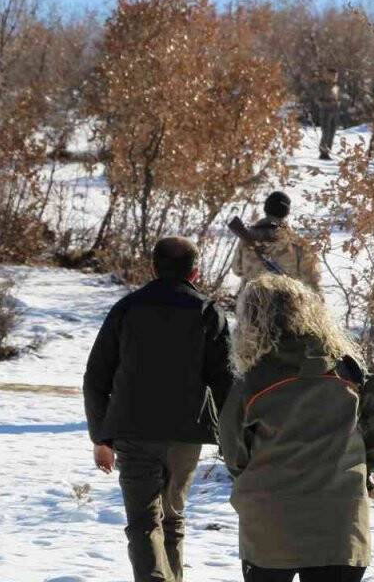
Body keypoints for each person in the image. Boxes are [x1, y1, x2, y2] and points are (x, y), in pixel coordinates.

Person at [219, 274, 374, 582]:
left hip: (269, 519)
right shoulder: (347, 370)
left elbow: (233, 450)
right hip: (340, 517)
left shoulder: (253, 382)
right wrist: (361, 465)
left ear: (251, 321)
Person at [84, 236, 233, 582]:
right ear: (195, 272)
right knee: (172, 517)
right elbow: (225, 381)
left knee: (143, 523)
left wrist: (100, 437)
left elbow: (96, 377)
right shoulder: (208, 312)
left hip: (133, 432)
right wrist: (232, 438)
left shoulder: (126, 309)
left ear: (153, 267)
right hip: (186, 432)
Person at [231, 191, 321, 295]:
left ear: (266, 209)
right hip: (288, 305)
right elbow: (312, 282)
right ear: (286, 212)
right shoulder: (297, 243)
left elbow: (236, 269)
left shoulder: (247, 238)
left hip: (250, 305)